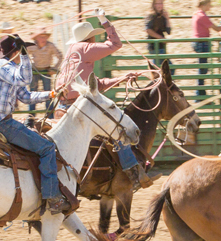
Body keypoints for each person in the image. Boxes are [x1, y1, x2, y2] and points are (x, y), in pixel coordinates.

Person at [55, 8, 158, 189]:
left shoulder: (72, 51)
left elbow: (97, 84)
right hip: (79, 104)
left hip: (62, 104)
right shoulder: (85, 48)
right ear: (90, 38)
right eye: (94, 36)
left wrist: (122, 78)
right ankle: (134, 172)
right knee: (116, 124)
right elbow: (115, 44)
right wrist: (103, 19)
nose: (95, 39)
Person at [0, 35, 67, 213]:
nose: (28, 55)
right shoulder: (3, 66)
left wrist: (51, 94)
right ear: (17, 52)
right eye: (24, 51)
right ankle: (52, 198)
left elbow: (25, 96)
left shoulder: (5, 69)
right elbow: (24, 80)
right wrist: (25, 56)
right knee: (47, 147)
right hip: (0, 123)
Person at [25, 29, 61, 113]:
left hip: (46, 71)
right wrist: (27, 67)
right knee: (32, 92)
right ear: (36, 38)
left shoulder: (50, 46)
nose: (43, 39)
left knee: (48, 92)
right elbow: (22, 55)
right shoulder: (31, 46)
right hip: (34, 71)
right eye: (41, 37)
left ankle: (50, 115)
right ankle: (31, 115)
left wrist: (54, 68)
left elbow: (60, 55)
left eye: (45, 37)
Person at [145, 0, 173, 74]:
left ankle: (164, 84)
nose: (159, 5)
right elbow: (148, 30)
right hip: (154, 46)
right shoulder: (150, 16)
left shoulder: (162, 15)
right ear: (154, 5)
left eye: (161, 3)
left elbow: (168, 31)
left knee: (168, 69)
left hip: (161, 46)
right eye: (157, 3)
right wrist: (161, 38)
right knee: (159, 70)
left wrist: (167, 19)